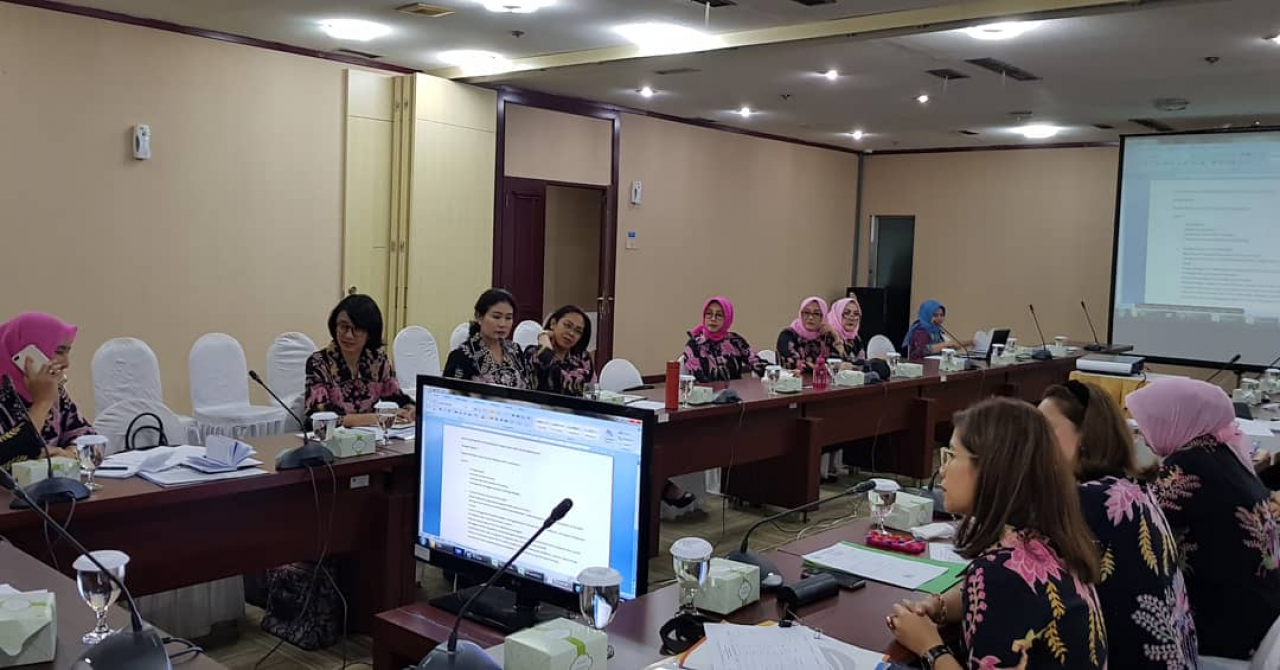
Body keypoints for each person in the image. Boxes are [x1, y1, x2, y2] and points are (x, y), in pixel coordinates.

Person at [887, 397, 1106, 670]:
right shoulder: (1050, 538)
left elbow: (1005, 589)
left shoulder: (1000, 573)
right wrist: (940, 606)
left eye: (952, 455)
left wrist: (929, 646)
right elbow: (1007, 600)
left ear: (991, 469)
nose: (942, 469)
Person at [1039, 381, 1198, 669]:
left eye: (1045, 431)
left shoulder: (1090, 500)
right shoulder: (1132, 486)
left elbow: (1018, 572)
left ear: (1086, 436)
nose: (1034, 443)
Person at [1127, 378, 1280, 660]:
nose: (1143, 436)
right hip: (1259, 619)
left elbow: (1134, 524)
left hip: (1223, 633)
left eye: (1147, 423)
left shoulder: (1187, 467)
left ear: (1173, 420)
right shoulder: (1222, 453)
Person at [0, 313, 93, 470]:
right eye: (59, 351)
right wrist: (42, 404)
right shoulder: (46, 393)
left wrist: (68, 455)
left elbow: (91, 440)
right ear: (26, 354)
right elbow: (5, 456)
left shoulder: (53, 390)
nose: (66, 363)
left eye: (67, 352)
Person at [305, 294, 414, 427]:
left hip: (370, 435)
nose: (348, 335)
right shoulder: (319, 363)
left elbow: (396, 399)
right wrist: (377, 418)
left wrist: (410, 410)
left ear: (370, 333)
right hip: (329, 437)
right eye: (343, 326)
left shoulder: (377, 361)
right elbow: (320, 416)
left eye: (357, 329)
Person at [444, 288, 533, 390]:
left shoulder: (515, 350)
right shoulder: (461, 356)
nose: (502, 324)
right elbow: (450, 394)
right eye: (496, 317)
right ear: (479, 316)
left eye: (508, 318)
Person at [681, 296, 761, 383]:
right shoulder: (694, 345)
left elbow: (754, 361)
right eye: (709, 314)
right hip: (706, 390)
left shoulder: (735, 341)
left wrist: (766, 369)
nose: (713, 319)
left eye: (719, 315)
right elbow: (698, 377)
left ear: (727, 318)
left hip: (736, 390)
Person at [528, 305, 595, 397]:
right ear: (553, 323)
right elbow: (552, 377)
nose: (571, 333)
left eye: (578, 331)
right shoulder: (533, 354)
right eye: (567, 325)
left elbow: (589, 391)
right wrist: (544, 338)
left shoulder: (583, 358)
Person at [776, 297, 835, 373]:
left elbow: (839, 362)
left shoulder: (826, 336)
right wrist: (824, 368)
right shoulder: (787, 335)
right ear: (801, 314)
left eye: (816, 314)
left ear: (823, 317)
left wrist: (835, 336)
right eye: (806, 313)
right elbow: (791, 363)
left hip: (823, 379)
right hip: (794, 379)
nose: (810, 317)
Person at [826, 297, 866, 363]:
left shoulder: (856, 338)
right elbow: (833, 364)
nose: (851, 318)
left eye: (856, 314)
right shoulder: (829, 336)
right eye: (846, 313)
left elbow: (862, 362)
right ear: (837, 314)